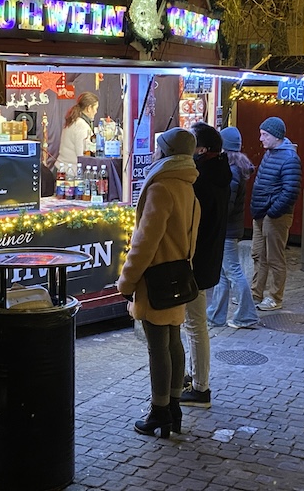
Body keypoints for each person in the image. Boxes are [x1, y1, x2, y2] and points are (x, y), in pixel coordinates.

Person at [117, 128, 200, 438]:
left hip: (156, 280)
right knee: (173, 341)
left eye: (157, 149)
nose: (153, 154)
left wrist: (127, 280)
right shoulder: (188, 188)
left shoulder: (161, 188)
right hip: (178, 276)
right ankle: (174, 408)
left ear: (166, 154)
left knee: (157, 347)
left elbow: (144, 242)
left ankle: (159, 411)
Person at [179, 122, 231, 409]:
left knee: (195, 324)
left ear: (201, 149)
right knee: (193, 323)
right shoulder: (220, 171)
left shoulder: (201, 179)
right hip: (208, 257)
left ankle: (200, 387)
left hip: (196, 259)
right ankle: (194, 378)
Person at [208, 126, 259, 329]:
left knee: (233, 271)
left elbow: (225, 205)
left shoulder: (231, 171)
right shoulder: (236, 168)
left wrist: (213, 220)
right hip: (229, 230)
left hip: (227, 231)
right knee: (222, 273)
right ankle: (216, 315)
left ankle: (246, 315)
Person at [250, 117, 301, 311]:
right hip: (262, 213)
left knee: (274, 258)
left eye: (264, 135)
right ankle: (256, 294)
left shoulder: (289, 158)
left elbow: (290, 191)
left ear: (276, 136)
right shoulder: (270, 153)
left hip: (275, 216)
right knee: (258, 255)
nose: (261, 139)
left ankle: (275, 297)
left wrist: (272, 212)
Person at [57, 92, 98, 166]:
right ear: (89, 108)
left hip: (63, 167)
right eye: (95, 108)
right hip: (69, 171)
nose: (96, 112)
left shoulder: (74, 120)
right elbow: (82, 156)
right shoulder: (81, 125)